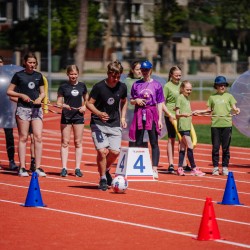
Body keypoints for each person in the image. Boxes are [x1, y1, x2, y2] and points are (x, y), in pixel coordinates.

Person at [86, 60, 127, 191]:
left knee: (115, 152)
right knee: (102, 151)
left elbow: (124, 101)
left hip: (114, 123)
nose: (115, 79)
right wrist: (98, 113)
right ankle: (103, 178)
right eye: (113, 76)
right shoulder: (99, 87)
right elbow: (89, 103)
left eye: (118, 77)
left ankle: (107, 169)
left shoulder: (122, 87)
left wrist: (123, 117)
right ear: (108, 73)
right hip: (98, 123)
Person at [7, 52, 46, 177]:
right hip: (23, 109)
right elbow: (9, 91)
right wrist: (21, 95)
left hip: (36, 109)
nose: (32, 65)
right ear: (25, 62)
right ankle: (22, 167)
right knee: (23, 137)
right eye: (30, 62)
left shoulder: (39, 76)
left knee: (38, 137)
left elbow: (43, 93)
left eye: (34, 63)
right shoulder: (18, 75)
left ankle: (38, 167)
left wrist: (40, 98)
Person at [194, 76, 240, 176]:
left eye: (224, 85)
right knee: (215, 147)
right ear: (216, 86)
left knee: (225, 148)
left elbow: (234, 108)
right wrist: (199, 111)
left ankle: (224, 167)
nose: (222, 86)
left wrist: (237, 110)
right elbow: (208, 110)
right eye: (220, 85)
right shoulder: (212, 97)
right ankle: (215, 167)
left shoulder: (229, 97)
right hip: (215, 125)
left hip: (227, 125)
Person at [129, 60, 165, 179]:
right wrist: (136, 101)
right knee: (138, 141)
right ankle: (141, 167)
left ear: (151, 70)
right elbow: (131, 100)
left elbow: (160, 102)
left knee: (154, 141)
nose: (144, 72)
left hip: (152, 113)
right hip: (139, 113)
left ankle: (154, 168)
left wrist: (159, 119)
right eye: (142, 70)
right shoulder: (136, 85)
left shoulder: (157, 85)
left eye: (146, 70)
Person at [57, 65, 88, 177]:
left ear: (78, 74)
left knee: (78, 142)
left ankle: (77, 168)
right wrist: (63, 105)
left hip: (78, 116)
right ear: (68, 74)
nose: (73, 76)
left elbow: (87, 100)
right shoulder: (63, 86)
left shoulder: (82, 86)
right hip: (66, 117)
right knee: (65, 142)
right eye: (71, 74)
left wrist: (84, 107)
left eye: (75, 74)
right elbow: (59, 103)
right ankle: (64, 167)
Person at [162, 66, 190, 174]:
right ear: (171, 75)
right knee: (171, 138)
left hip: (181, 115)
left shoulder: (182, 85)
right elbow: (162, 102)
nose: (178, 77)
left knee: (182, 139)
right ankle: (171, 164)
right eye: (176, 75)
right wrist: (168, 114)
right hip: (171, 116)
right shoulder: (167, 86)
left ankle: (182, 163)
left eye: (180, 75)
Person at [175, 80, 205, 176]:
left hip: (187, 126)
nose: (189, 91)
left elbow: (187, 111)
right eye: (187, 89)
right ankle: (194, 168)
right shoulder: (180, 98)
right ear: (182, 89)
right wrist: (184, 114)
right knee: (190, 146)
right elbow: (177, 114)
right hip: (182, 127)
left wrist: (192, 113)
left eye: (190, 90)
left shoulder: (187, 99)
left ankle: (180, 168)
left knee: (183, 148)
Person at [0, 55, 18, 170]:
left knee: (9, 136)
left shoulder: (9, 76)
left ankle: (11, 161)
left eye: (0, 62)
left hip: (6, 111)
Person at [122, 61, 142, 147]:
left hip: (143, 111)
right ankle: (132, 152)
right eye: (137, 69)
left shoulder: (145, 80)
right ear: (132, 70)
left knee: (142, 133)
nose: (140, 71)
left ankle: (141, 151)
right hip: (131, 111)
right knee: (133, 133)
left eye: (141, 69)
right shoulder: (127, 81)